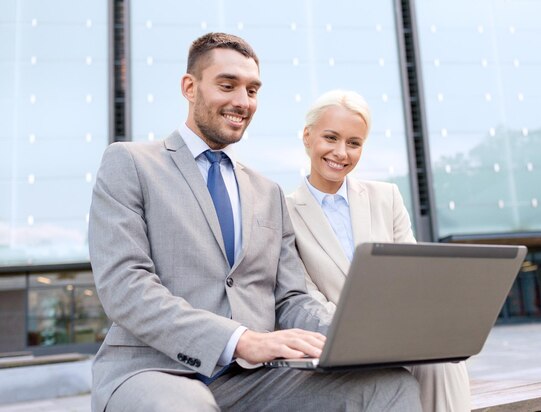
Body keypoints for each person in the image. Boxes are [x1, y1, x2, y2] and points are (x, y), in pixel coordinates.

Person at [88, 33, 422, 412]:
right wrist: (240, 339)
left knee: (390, 385)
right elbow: (125, 287)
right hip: (154, 371)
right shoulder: (130, 164)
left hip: (254, 378)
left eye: (252, 90)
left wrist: (357, 334)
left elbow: (291, 298)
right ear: (189, 87)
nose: (242, 102)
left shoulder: (268, 192)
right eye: (227, 86)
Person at [286, 90, 472, 412]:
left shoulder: (386, 197)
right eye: (330, 137)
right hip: (337, 343)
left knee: (444, 361)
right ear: (307, 136)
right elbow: (303, 295)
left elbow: (413, 278)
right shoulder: (283, 211)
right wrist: (365, 332)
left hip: (400, 333)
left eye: (354, 143)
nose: (341, 153)